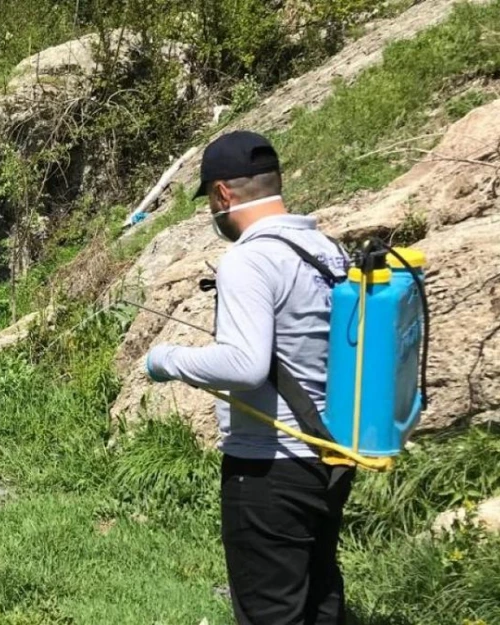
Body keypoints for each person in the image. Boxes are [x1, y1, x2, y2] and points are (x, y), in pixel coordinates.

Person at [143, 131, 355, 625]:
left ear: (222, 194)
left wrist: (167, 358)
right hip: (331, 453)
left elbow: (244, 365)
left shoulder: (249, 258)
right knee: (320, 595)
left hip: (269, 466)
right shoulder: (325, 249)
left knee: (272, 612)